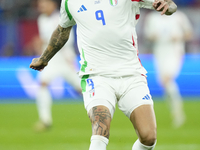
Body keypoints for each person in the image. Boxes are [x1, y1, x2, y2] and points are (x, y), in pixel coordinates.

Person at [30, 0, 177, 149]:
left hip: (131, 74)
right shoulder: (70, 2)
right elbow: (62, 30)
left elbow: (168, 4)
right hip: (96, 76)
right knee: (101, 129)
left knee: (148, 137)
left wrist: (168, 7)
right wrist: (44, 59)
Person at [34, 0, 82, 131]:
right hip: (52, 61)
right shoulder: (42, 19)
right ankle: (45, 120)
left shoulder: (61, 18)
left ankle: (103, 110)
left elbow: (66, 39)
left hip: (65, 60)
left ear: (53, 5)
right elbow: (46, 40)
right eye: (40, 5)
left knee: (83, 90)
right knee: (43, 83)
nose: (42, 7)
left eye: (45, 4)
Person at [144, 10, 193, 128]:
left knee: (167, 79)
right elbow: (148, 36)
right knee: (163, 82)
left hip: (175, 51)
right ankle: (176, 113)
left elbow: (189, 33)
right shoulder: (152, 18)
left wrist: (179, 37)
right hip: (160, 53)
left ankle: (178, 113)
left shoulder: (179, 16)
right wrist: (153, 36)